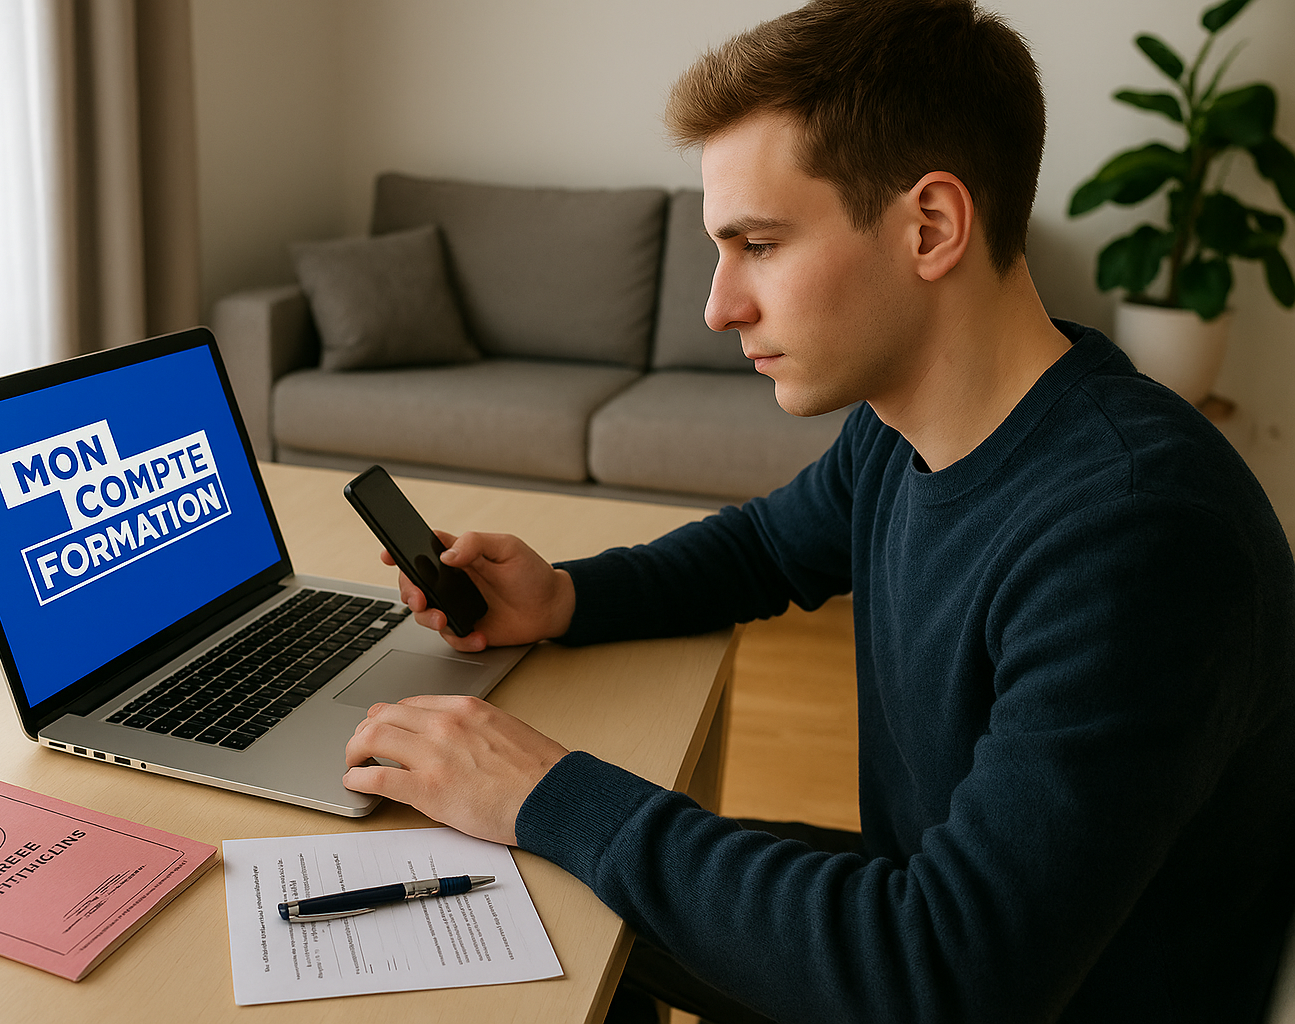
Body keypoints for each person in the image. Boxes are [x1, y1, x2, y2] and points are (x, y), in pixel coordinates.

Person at [342, 1, 1295, 1020]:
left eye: (758, 242)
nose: (718, 307)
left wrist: (549, 788)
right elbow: (763, 547)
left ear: (930, 226)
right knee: (547, 882)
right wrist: (566, 594)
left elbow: (944, 975)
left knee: (562, 854)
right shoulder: (905, 427)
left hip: (1013, 980)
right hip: (944, 911)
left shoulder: (1137, 535)